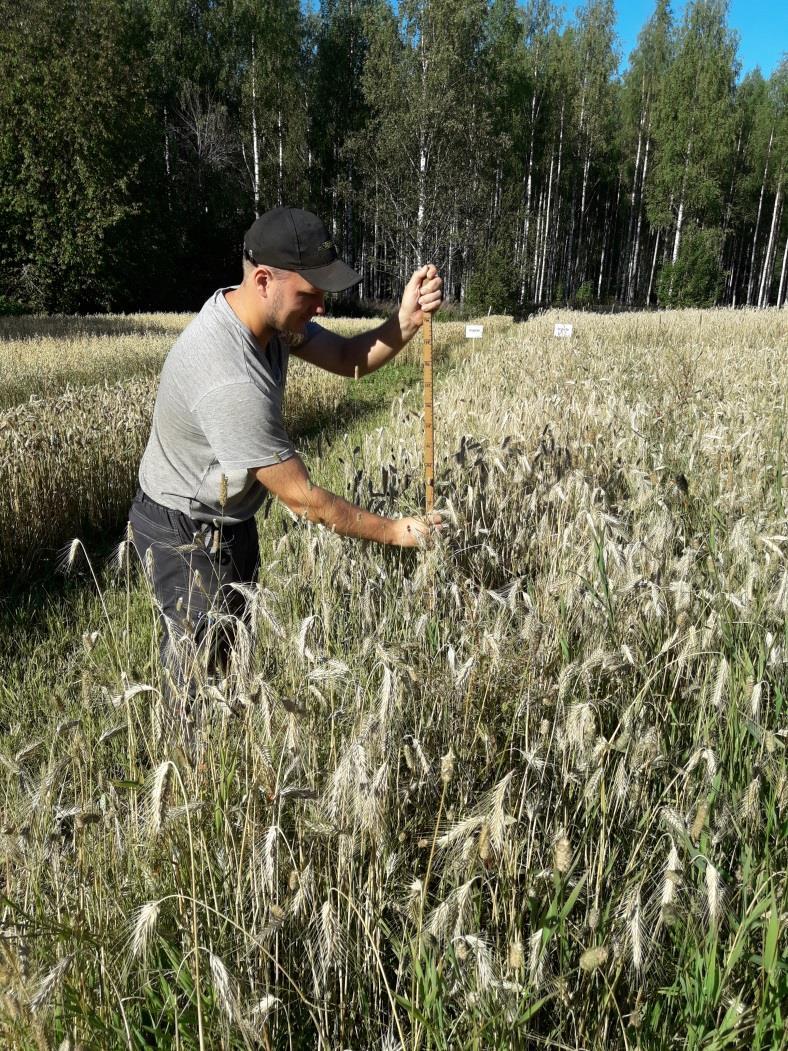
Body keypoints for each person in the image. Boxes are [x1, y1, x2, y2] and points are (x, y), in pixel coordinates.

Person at [129, 206, 443, 704]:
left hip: (227, 516)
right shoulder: (228, 376)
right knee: (196, 686)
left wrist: (403, 321)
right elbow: (304, 501)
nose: (320, 308)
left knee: (232, 663)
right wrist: (395, 532)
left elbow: (347, 359)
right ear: (262, 281)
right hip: (183, 528)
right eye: (310, 294)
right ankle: (193, 771)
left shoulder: (272, 322)